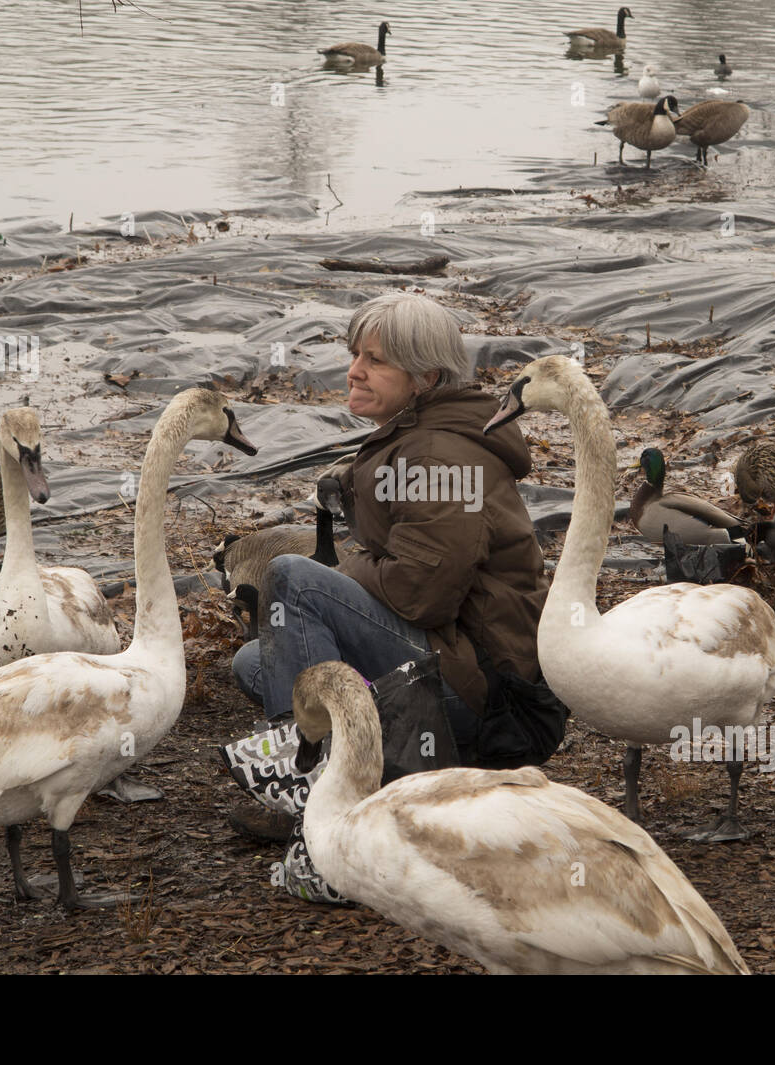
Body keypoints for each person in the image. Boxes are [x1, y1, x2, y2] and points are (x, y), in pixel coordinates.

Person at [227, 291, 550, 839]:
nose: (353, 371)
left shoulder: (438, 456)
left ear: (425, 377)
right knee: (256, 661)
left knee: (292, 578)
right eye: (355, 354)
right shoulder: (415, 438)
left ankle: (309, 791)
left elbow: (421, 596)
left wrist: (347, 563)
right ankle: (377, 768)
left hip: (486, 699)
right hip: (449, 662)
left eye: (375, 360)